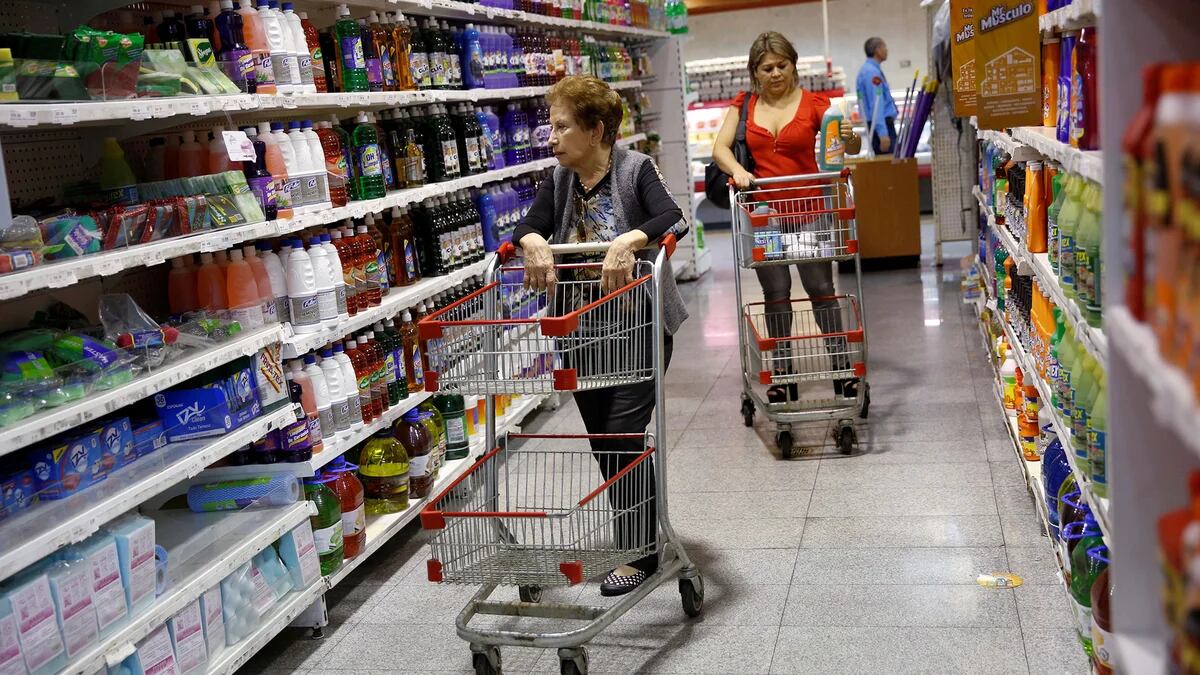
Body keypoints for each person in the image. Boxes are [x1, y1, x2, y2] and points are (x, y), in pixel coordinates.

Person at [513, 74, 689, 597]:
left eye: (562, 127)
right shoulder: (559, 179)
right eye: (551, 127)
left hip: (638, 327)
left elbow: (672, 217)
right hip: (582, 333)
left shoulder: (636, 169)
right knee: (603, 443)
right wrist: (532, 241)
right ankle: (639, 537)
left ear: (595, 130)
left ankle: (640, 553)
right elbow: (529, 224)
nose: (552, 138)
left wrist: (629, 240)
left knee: (621, 435)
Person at [711, 31, 862, 403]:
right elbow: (720, 149)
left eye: (782, 65)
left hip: (810, 210)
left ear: (793, 65)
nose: (776, 73)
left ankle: (841, 369)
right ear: (755, 72)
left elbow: (850, 146)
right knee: (775, 293)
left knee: (821, 290)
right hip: (766, 216)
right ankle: (783, 373)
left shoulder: (815, 104)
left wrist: (850, 136)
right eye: (767, 68)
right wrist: (738, 171)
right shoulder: (744, 105)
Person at [856, 36, 899, 155]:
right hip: (881, 125)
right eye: (884, 46)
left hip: (879, 125)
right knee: (888, 163)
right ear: (877, 50)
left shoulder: (869, 70)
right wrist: (882, 133)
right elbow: (876, 103)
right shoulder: (871, 73)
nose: (887, 50)